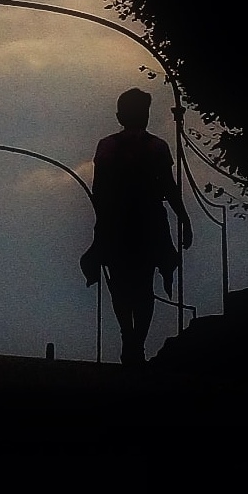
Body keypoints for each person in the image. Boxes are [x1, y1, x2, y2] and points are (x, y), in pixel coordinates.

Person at [80, 88, 191, 367]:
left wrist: (103, 222)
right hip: (147, 224)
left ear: (120, 116)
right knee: (144, 286)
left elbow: (98, 189)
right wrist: (183, 218)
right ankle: (136, 341)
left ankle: (130, 337)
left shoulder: (107, 147)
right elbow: (169, 187)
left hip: (117, 224)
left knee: (120, 284)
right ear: (145, 115)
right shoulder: (157, 147)